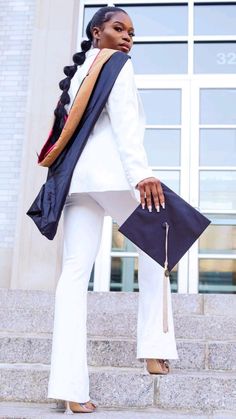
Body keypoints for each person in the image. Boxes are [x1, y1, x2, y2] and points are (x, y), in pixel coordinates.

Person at [47, 6, 178, 414]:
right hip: (113, 177)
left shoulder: (80, 73)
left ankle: (71, 388)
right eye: (118, 28)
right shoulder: (117, 64)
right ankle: (154, 349)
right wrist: (143, 175)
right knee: (158, 247)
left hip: (77, 184)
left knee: (72, 277)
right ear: (96, 30)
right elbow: (123, 123)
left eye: (131, 33)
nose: (127, 37)